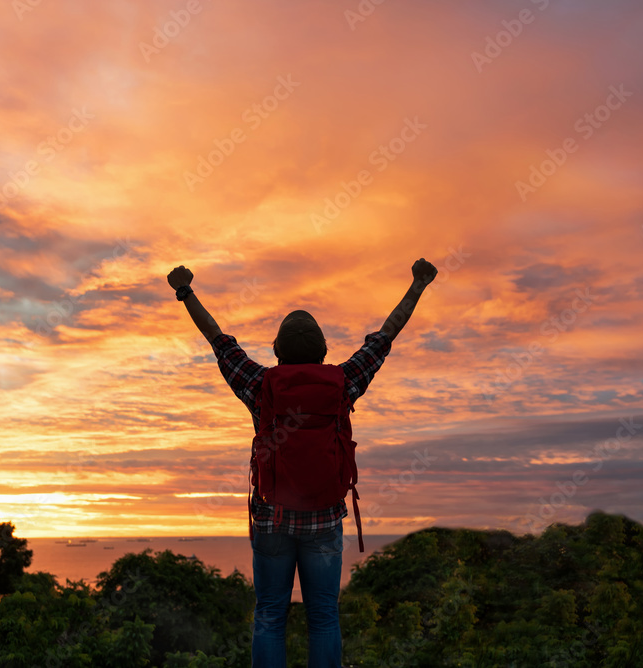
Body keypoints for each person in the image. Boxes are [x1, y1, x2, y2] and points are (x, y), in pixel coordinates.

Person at [166, 258, 439, 668]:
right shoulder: (344, 382)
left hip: (272, 519)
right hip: (325, 519)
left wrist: (185, 292)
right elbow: (385, 336)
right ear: (323, 352)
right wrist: (418, 284)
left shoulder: (259, 384)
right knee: (324, 617)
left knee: (270, 616)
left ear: (276, 352)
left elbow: (217, 339)